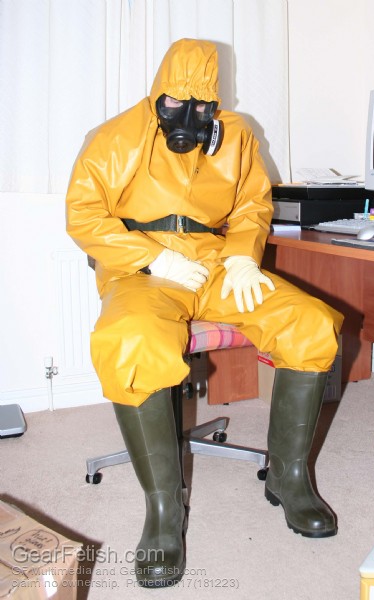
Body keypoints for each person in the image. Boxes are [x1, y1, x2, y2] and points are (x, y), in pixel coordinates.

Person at [66, 38, 343, 588]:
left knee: (310, 322)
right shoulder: (114, 137)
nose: (186, 118)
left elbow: (253, 203)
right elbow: (84, 216)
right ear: (157, 94)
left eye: (199, 107)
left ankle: (288, 477)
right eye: (173, 103)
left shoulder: (236, 135)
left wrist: (242, 257)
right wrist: (153, 258)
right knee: (132, 342)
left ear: (215, 104)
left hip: (217, 265)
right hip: (144, 269)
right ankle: (164, 509)